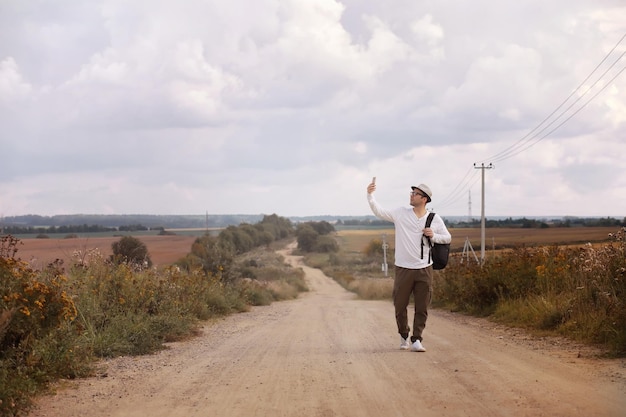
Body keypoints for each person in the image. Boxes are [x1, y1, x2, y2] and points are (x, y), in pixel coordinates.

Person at [366, 180, 451, 352]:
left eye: (415, 194)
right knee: (400, 305)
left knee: (422, 306)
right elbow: (379, 212)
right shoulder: (401, 213)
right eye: (411, 193)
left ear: (424, 199)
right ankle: (404, 335)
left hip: (424, 268)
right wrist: (370, 195)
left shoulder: (434, 219)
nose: (411, 196)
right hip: (403, 268)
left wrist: (434, 236)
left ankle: (417, 339)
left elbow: (447, 238)